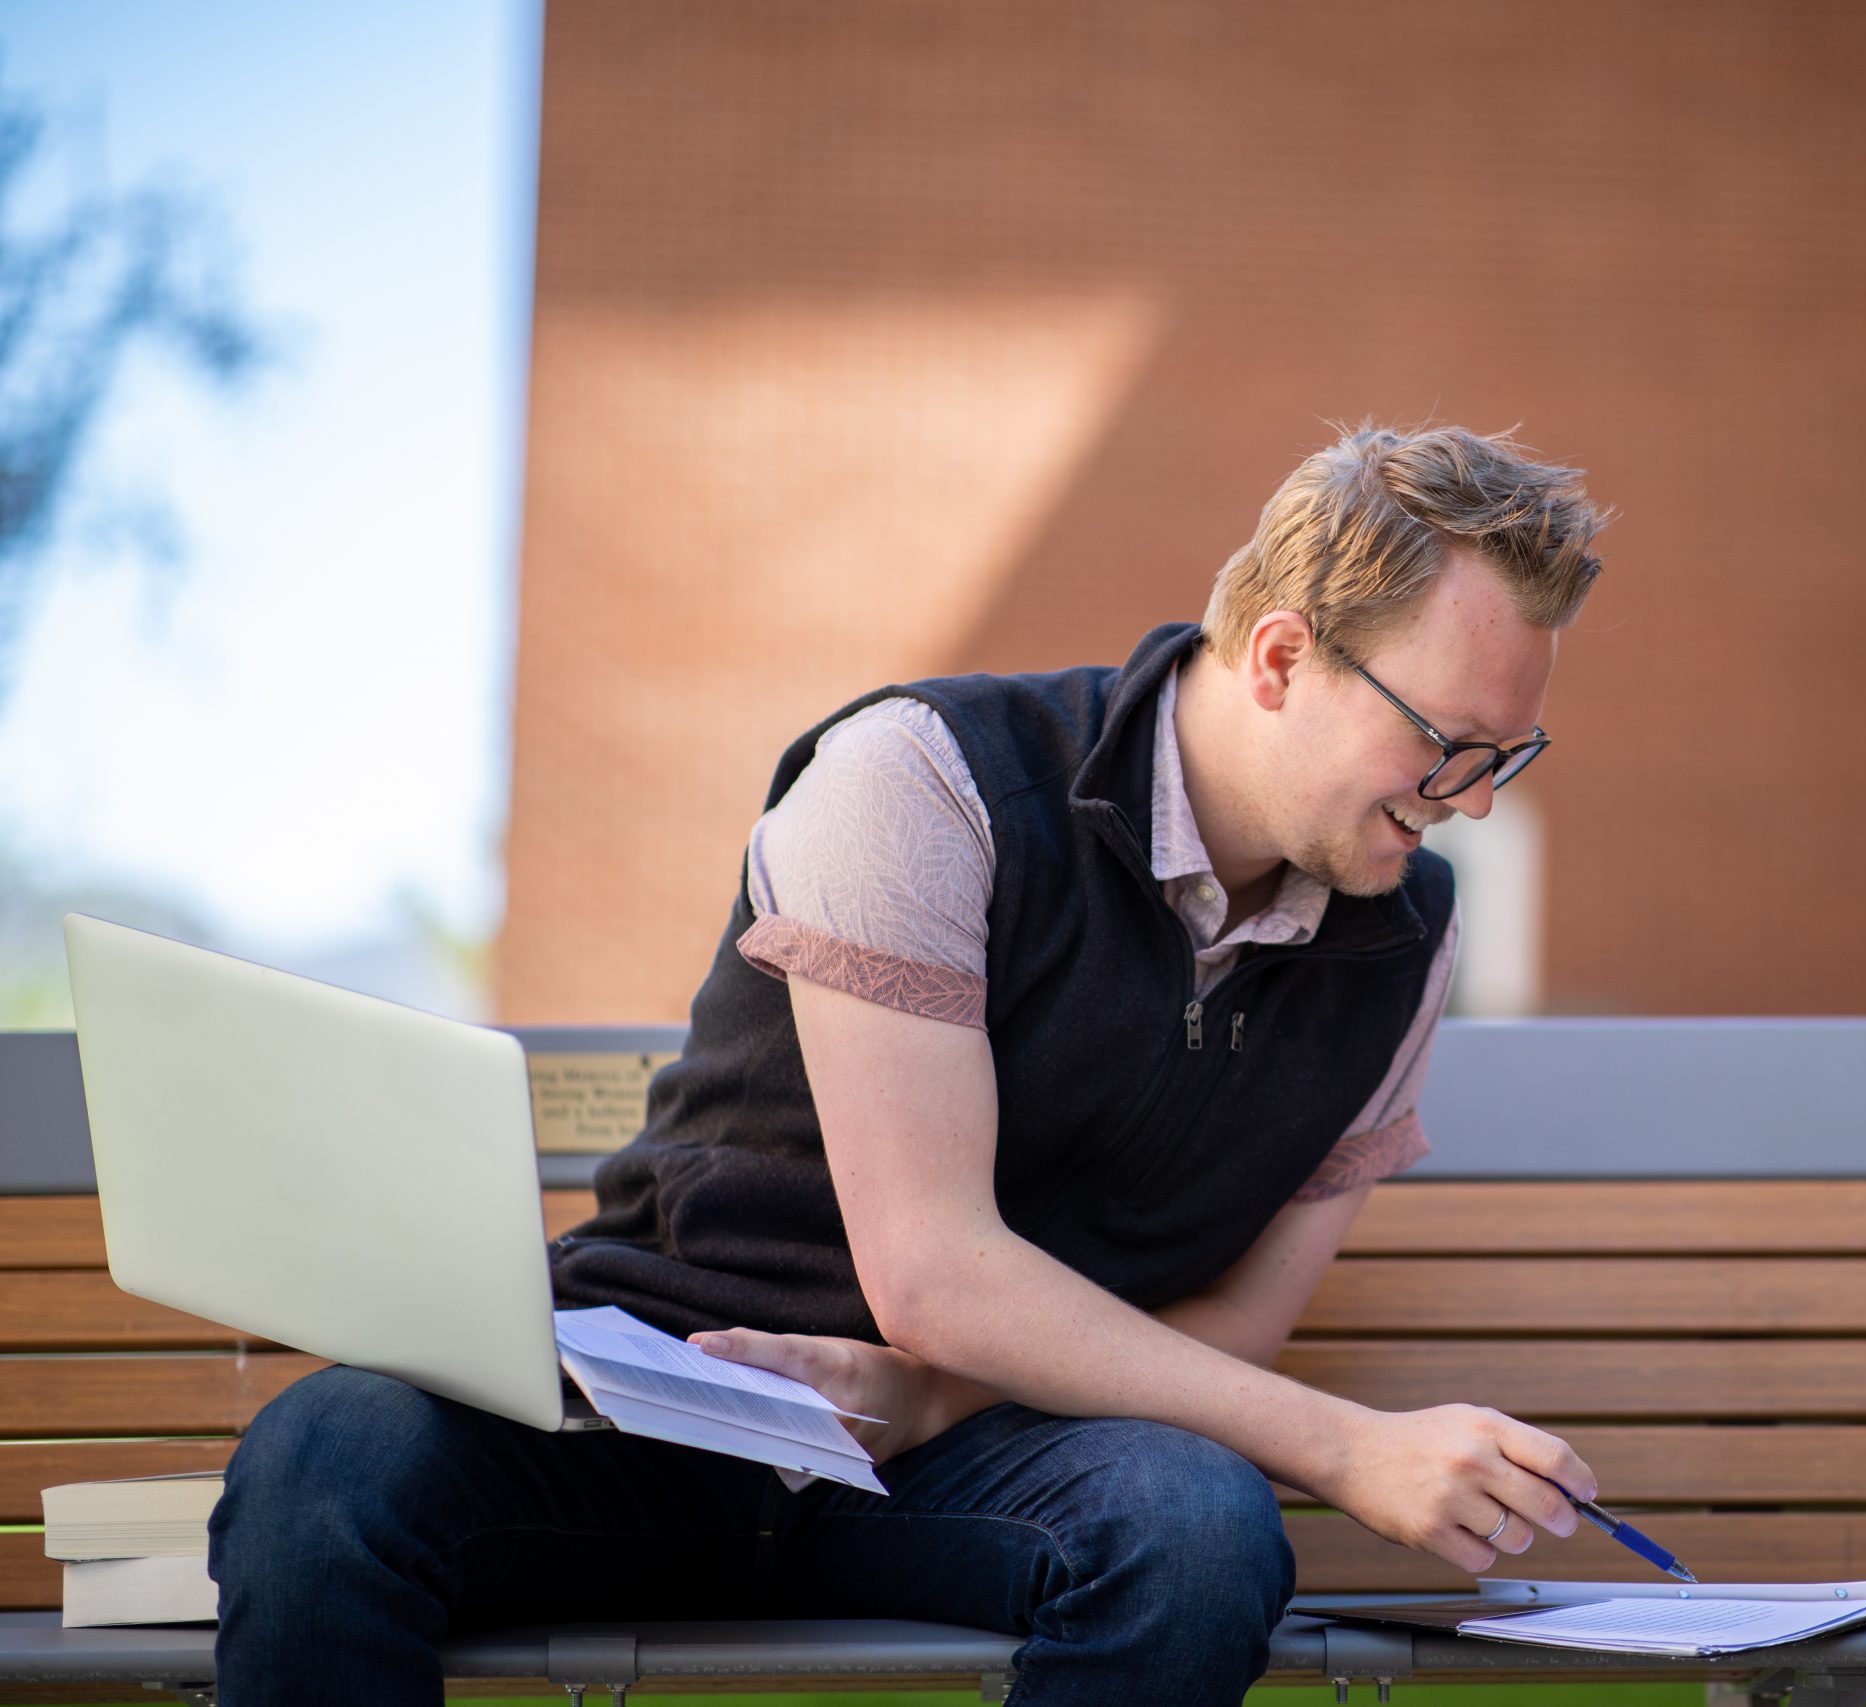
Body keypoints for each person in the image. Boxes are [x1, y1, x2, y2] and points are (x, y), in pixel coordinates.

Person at [209, 422, 1613, 1705]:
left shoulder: (1407, 937)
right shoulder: (925, 780)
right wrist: (1348, 1447)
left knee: (1193, 1530)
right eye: (1445, 744)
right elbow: (931, 1275)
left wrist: (938, 1402)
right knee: (333, 1459)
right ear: (1280, 659)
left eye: (1511, 752)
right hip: (657, 1406)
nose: (1476, 801)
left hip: (975, 1457)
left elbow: (1235, 1323)